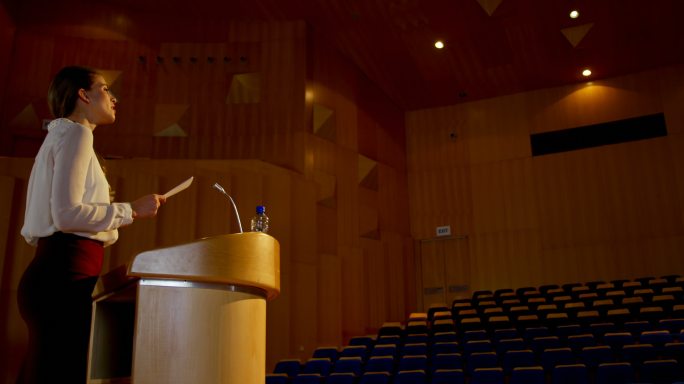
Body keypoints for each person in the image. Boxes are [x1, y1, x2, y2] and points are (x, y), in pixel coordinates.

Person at [16, 66, 166, 383]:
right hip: (63, 276)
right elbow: (68, 215)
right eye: (105, 89)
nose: (114, 98)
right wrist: (132, 210)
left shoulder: (61, 135)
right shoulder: (77, 133)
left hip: (54, 273)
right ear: (83, 95)